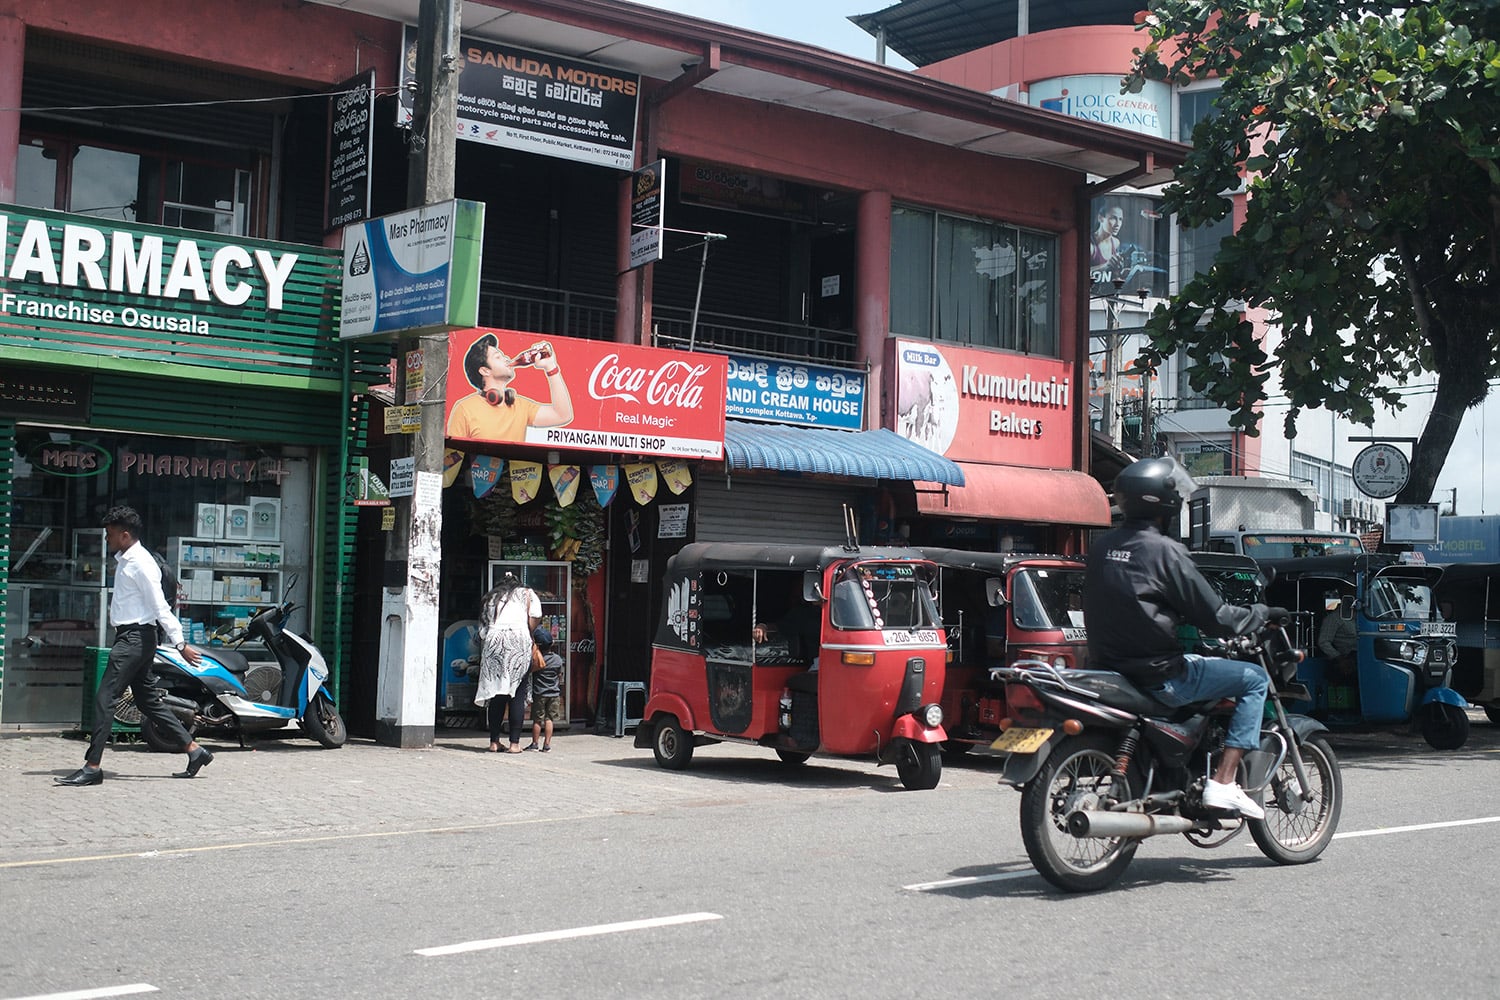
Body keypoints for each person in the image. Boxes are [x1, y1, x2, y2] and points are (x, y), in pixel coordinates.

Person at [1084, 457, 1285, 820]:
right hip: (1159, 675)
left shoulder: (1101, 547)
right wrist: (1260, 615)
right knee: (1253, 681)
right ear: (1165, 502)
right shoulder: (1165, 552)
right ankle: (1223, 782)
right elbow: (1216, 617)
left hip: (1109, 671)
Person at [56, 506, 215, 786]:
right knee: (147, 701)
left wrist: (181, 644)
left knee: (105, 698)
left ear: (125, 535)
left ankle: (92, 767)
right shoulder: (127, 560)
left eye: (110, 534)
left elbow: (160, 607)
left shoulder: (141, 564)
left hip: (135, 639)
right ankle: (194, 750)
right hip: (134, 638)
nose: (107, 539)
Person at [446, 333, 574, 442]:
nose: (506, 358)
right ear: (485, 371)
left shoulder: (519, 405)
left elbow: (563, 415)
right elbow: (454, 456)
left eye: (503, 355)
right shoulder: (465, 409)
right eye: (498, 357)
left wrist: (551, 367)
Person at [476, 573, 542, 753]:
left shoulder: (491, 597)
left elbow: (482, 630)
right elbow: (536, 615)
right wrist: (527, 630)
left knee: (496, 694)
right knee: (517, 695)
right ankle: (514, 744)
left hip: (493, 642)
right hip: (519, 642)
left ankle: (494, 742)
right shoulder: (527, 594)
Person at [524, 626, 564, 752]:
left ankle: (535, 743)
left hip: (539, 693)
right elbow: (559, 674)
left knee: (537, 720)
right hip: (554, 694)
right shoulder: (557, 659)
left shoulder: (536, 660)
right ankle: (547, 745)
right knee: (549, 719)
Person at [1316, 592, 1358, 681]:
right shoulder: (1333, 618)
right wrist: (1339, 658)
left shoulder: (1361, 617)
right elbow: (1323, 642)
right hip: (1348, 657)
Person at [1090, 203, 1126, 280]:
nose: (1118, 224)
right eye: (1113, 218)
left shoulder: (1116, 242)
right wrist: (1106, 266)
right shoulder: (1091, 245)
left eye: (1120, 219)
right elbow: (1080, 273)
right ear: (1100, 218)